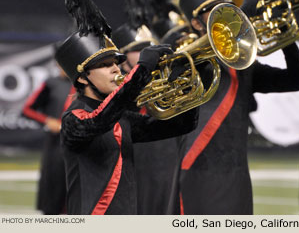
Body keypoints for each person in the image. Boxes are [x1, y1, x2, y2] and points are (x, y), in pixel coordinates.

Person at [172, 0, 299, 214]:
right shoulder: (186, 60)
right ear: (196, 23)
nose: (226, 16)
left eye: (227, 8)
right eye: (215, 12)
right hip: (197, 172)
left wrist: (285, 32)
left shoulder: (243, 67)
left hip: (237, 178)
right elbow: (206, 65)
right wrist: (243, 13)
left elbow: (298, 80)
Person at [56, 32, 198, 215]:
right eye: (105, 65)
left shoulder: (122, 118)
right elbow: (100, 120)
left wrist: (187, 83)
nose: (116, 69)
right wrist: (142, 70)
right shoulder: (73, 118)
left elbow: (182, 125)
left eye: (116, 63)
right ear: (83, 78)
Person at [22, 52, 75, 215]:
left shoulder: (84, 85)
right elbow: (27, 110)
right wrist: (47, 120)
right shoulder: (52, 83)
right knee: (54, 189)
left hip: (79, 144)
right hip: (56, 145)